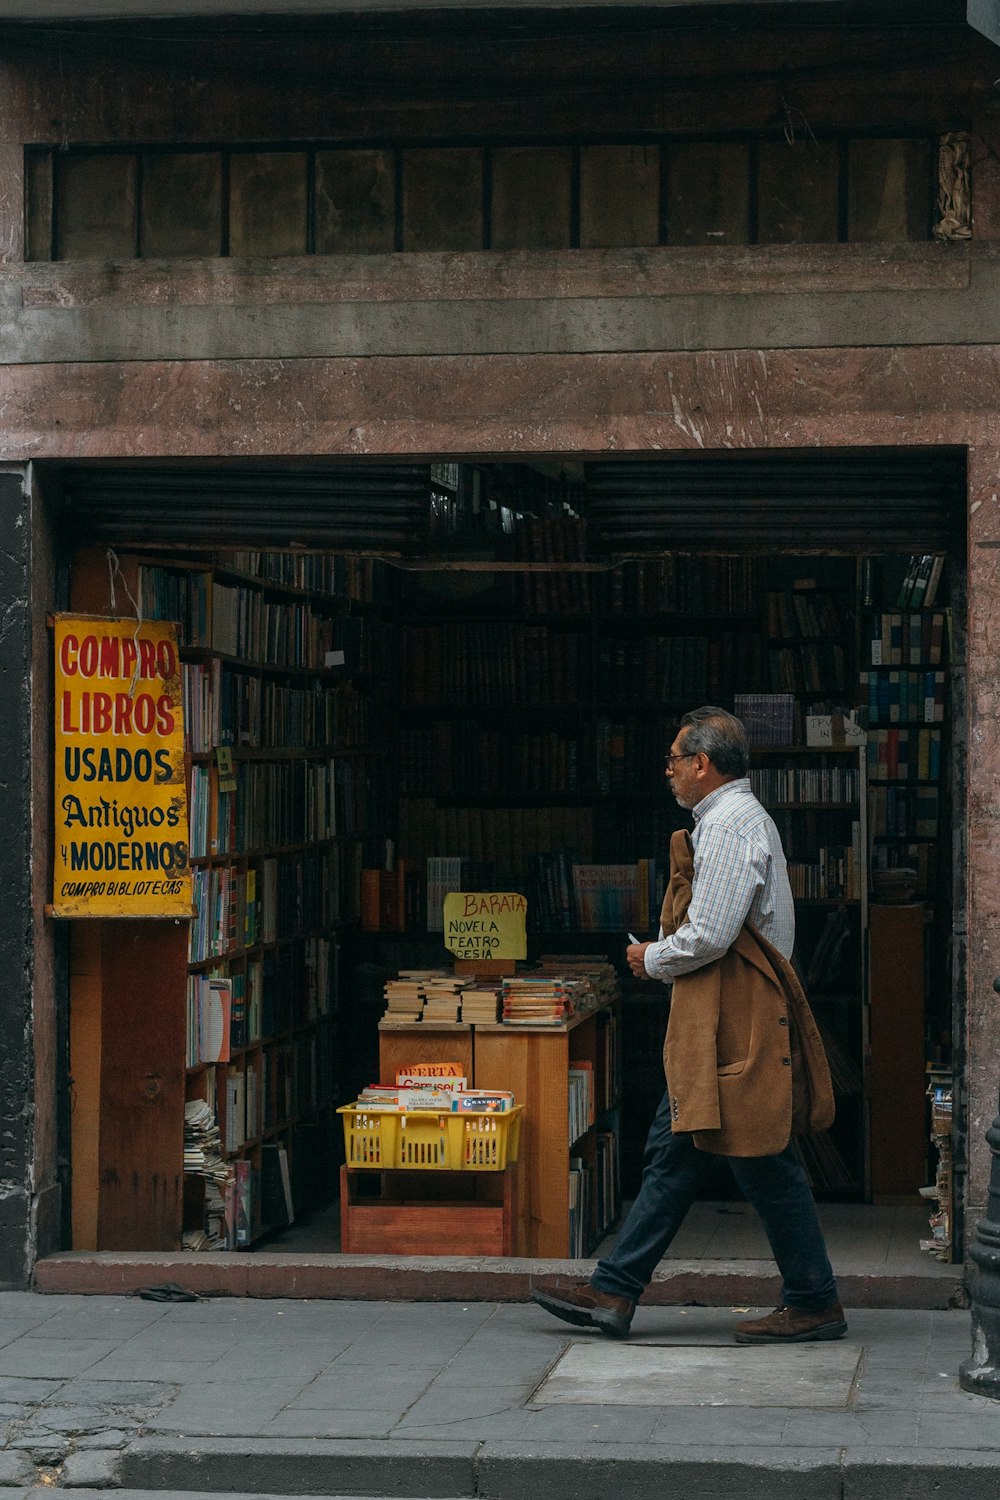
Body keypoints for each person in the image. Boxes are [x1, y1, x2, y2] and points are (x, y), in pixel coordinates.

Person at [531, 705, 846, 1345]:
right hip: (727, 1016)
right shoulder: (728, 821)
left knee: (763, 1162)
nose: (668, 771)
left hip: (736, 1020)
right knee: (678, 1152)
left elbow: (710, 933)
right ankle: (616, 1291)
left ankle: (812, 1302)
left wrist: (653, 958)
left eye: (674, 760)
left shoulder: (729, 826)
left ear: (702, 764)